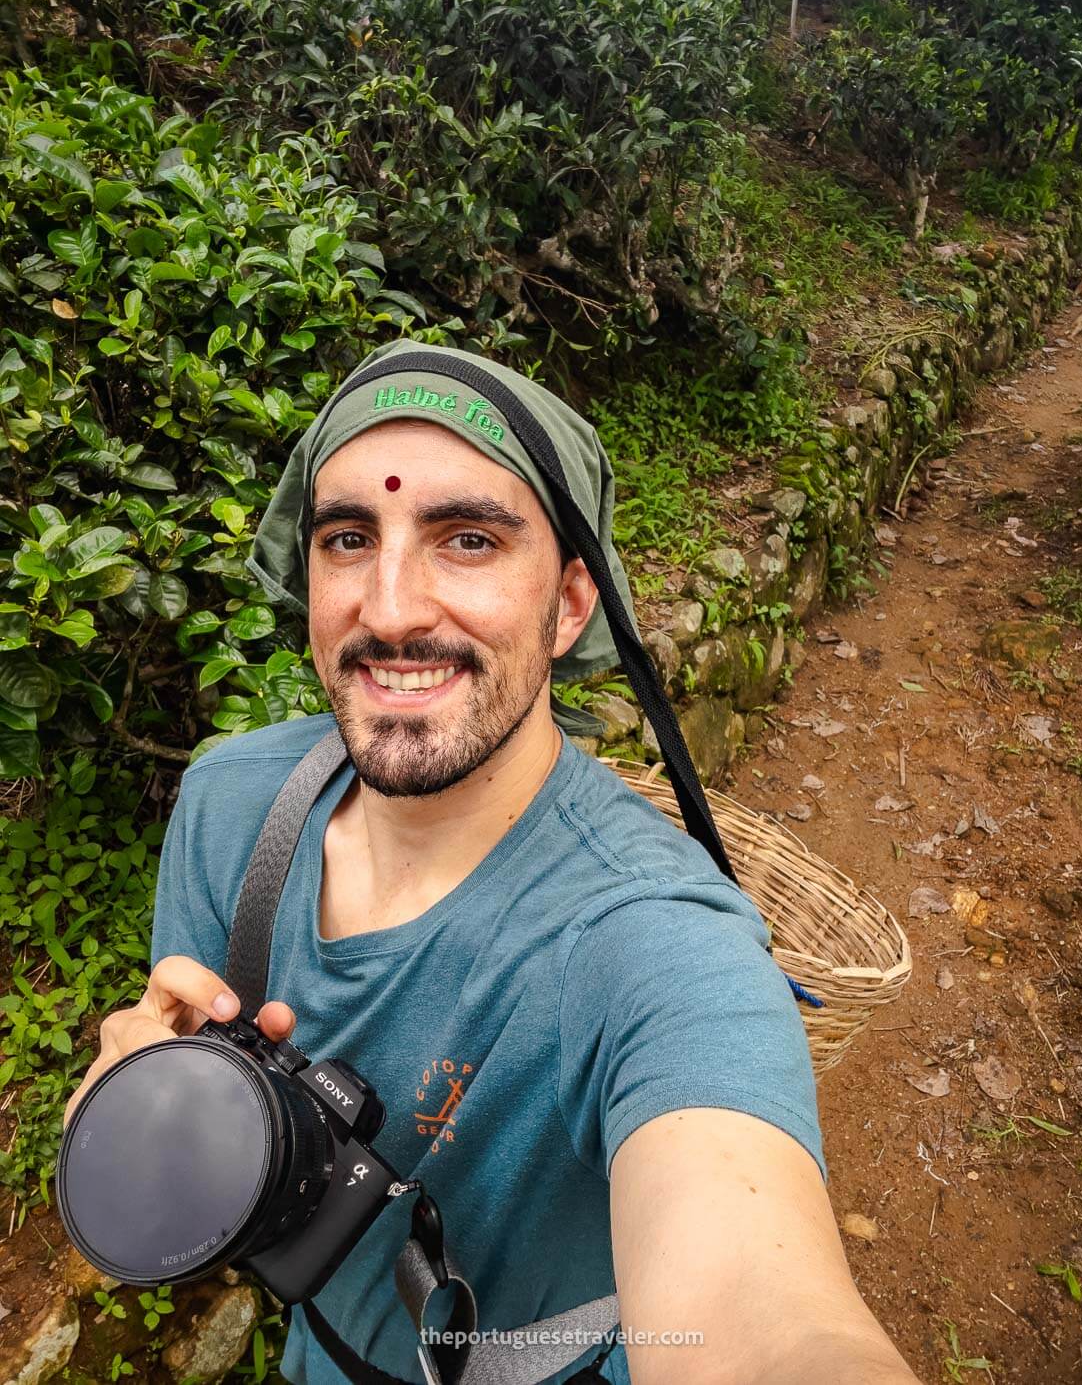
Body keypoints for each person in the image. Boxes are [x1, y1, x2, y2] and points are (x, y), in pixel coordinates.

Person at [65, 341, 919, 1385]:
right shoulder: (229, 804)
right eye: (346, 538)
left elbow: (763, 1321)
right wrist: (139, 1108)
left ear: (569, 606)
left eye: (466, 539)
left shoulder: (651, 939)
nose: (388, 611)